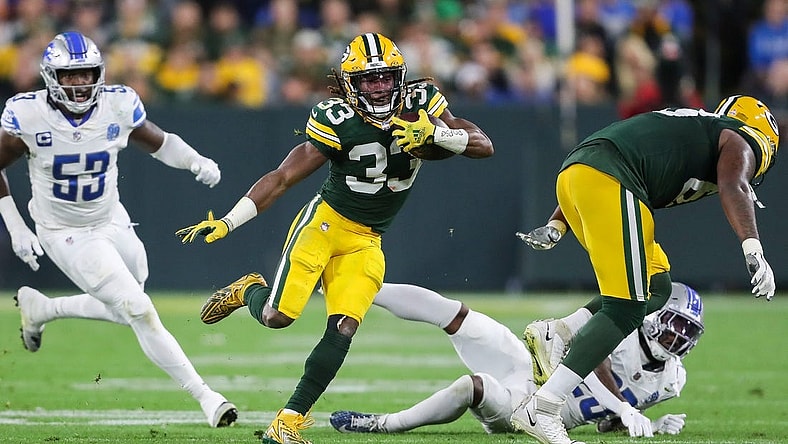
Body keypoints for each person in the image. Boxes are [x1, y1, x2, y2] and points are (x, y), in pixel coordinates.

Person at [175, 32, 494, 444]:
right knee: (277, 317)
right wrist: (230, 221)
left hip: (368, 239)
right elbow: (283, 177)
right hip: (325, 225)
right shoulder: (336, 117)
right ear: (349, 84)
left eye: (385, 77)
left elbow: (483, 145)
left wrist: (439, 135)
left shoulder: (422, 103)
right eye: (368, 80)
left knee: (343, 327)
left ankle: (287, 422)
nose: (378, 87)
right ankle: (249, 289)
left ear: (400, 77)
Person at [510, 95, 779, 444]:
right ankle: (543, 408)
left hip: (583, 174)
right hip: (611, 179)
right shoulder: (740, 137)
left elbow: (608, 156)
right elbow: (734, 184)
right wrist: (753, 247)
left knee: (657, 287)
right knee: (626, 308)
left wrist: (557, 224)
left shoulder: (699, 130)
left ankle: (560, 331)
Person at [0, 31, 236, 428]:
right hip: (65, 231)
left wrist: (195, 160)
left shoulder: (117, 105)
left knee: (130, 301)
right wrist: (16, 226)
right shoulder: (28, 114)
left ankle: (44, 309)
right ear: (51, 77)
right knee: (138, 308)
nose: (80, 83)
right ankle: (207, 397)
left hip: (112, 218)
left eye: (86, 74)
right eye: (70, 75)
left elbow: (160, 142)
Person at [328, 282, 700, 437]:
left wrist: (650, 425)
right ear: (653, 319)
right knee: (459, 316)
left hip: (532, 410)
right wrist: (623, 407)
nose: (679, 338)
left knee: (472, 387)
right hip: (530, 366)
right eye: (675, 326)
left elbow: (606, 425)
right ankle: (358, 286)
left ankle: (383, 424)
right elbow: (586, 357)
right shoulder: (621, 331)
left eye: (688, 331)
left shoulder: (670, 382)